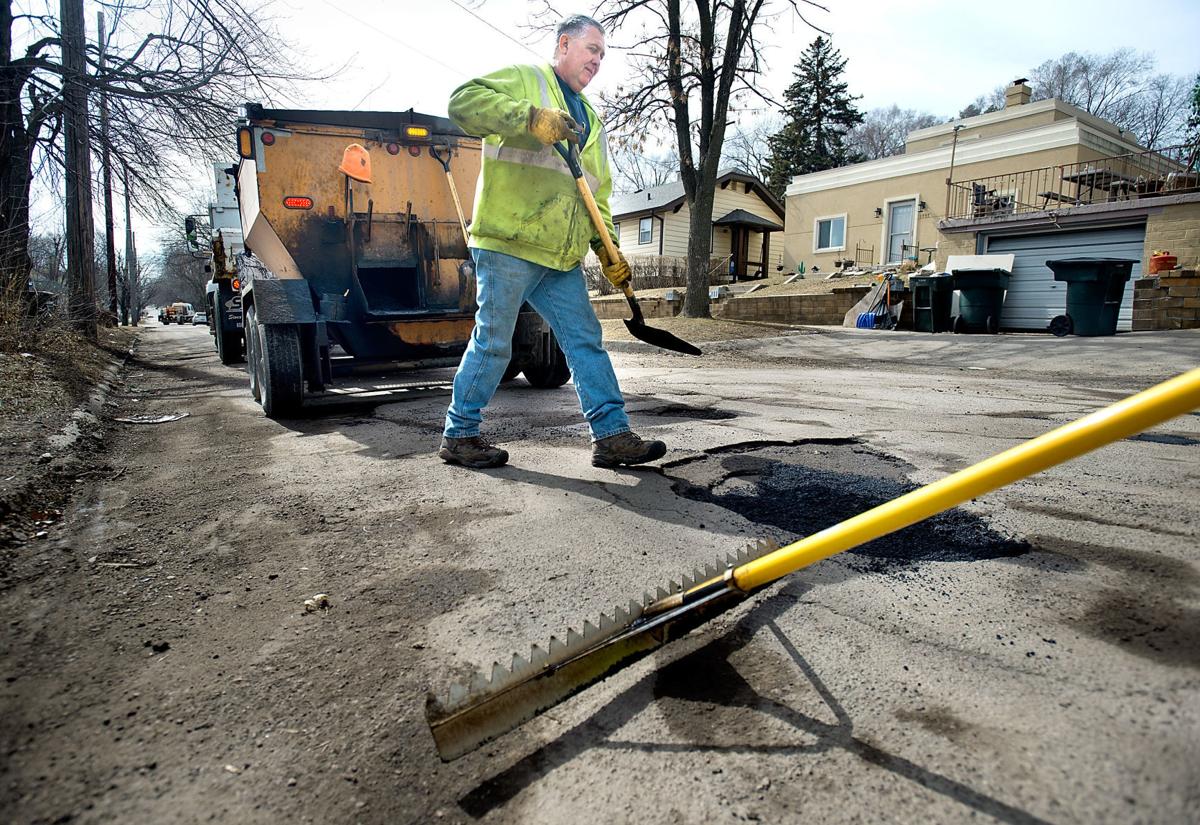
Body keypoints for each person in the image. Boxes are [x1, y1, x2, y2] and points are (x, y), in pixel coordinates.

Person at [438, 14, 667, 471]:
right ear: (563, 45)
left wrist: (608, 249)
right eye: (592, 50)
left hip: (559, 256)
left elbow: (595, 193)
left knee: (585, 341)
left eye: (603, 55)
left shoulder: (593, 122)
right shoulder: (527, 81)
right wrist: (529, 118)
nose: (598, 61)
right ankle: (460, 434)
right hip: (508, 241)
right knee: (494, 342)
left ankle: (612, 435)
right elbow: (462, 103)